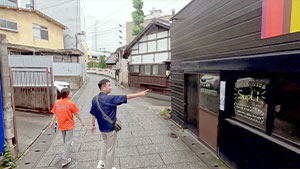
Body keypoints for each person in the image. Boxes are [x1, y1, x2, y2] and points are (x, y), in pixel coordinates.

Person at [90, 79, 148, 169]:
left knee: (105, 143)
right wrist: (140, 94)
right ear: (103, 87)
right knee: (111, 149)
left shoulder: (95, 99)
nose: (111, 87)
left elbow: (93, 113)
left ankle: (101, 162)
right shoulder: (110, 99)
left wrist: (93, 125)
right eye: (109, 85)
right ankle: (108, 167)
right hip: (110, 129)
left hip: (101, 128)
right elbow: (126, 97)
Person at [49, 88, 85, 167]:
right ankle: (65, 159)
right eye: (70, 92)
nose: (71, 93)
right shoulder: (70, 104)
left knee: (65, 140)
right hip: (69, 125)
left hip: (61, 125)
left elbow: (55, 113)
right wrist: (81, 120)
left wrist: (52, 122)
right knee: (67, 142)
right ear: (67, 94)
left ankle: (68, 147)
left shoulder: (57, 103)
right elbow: (76, 114)